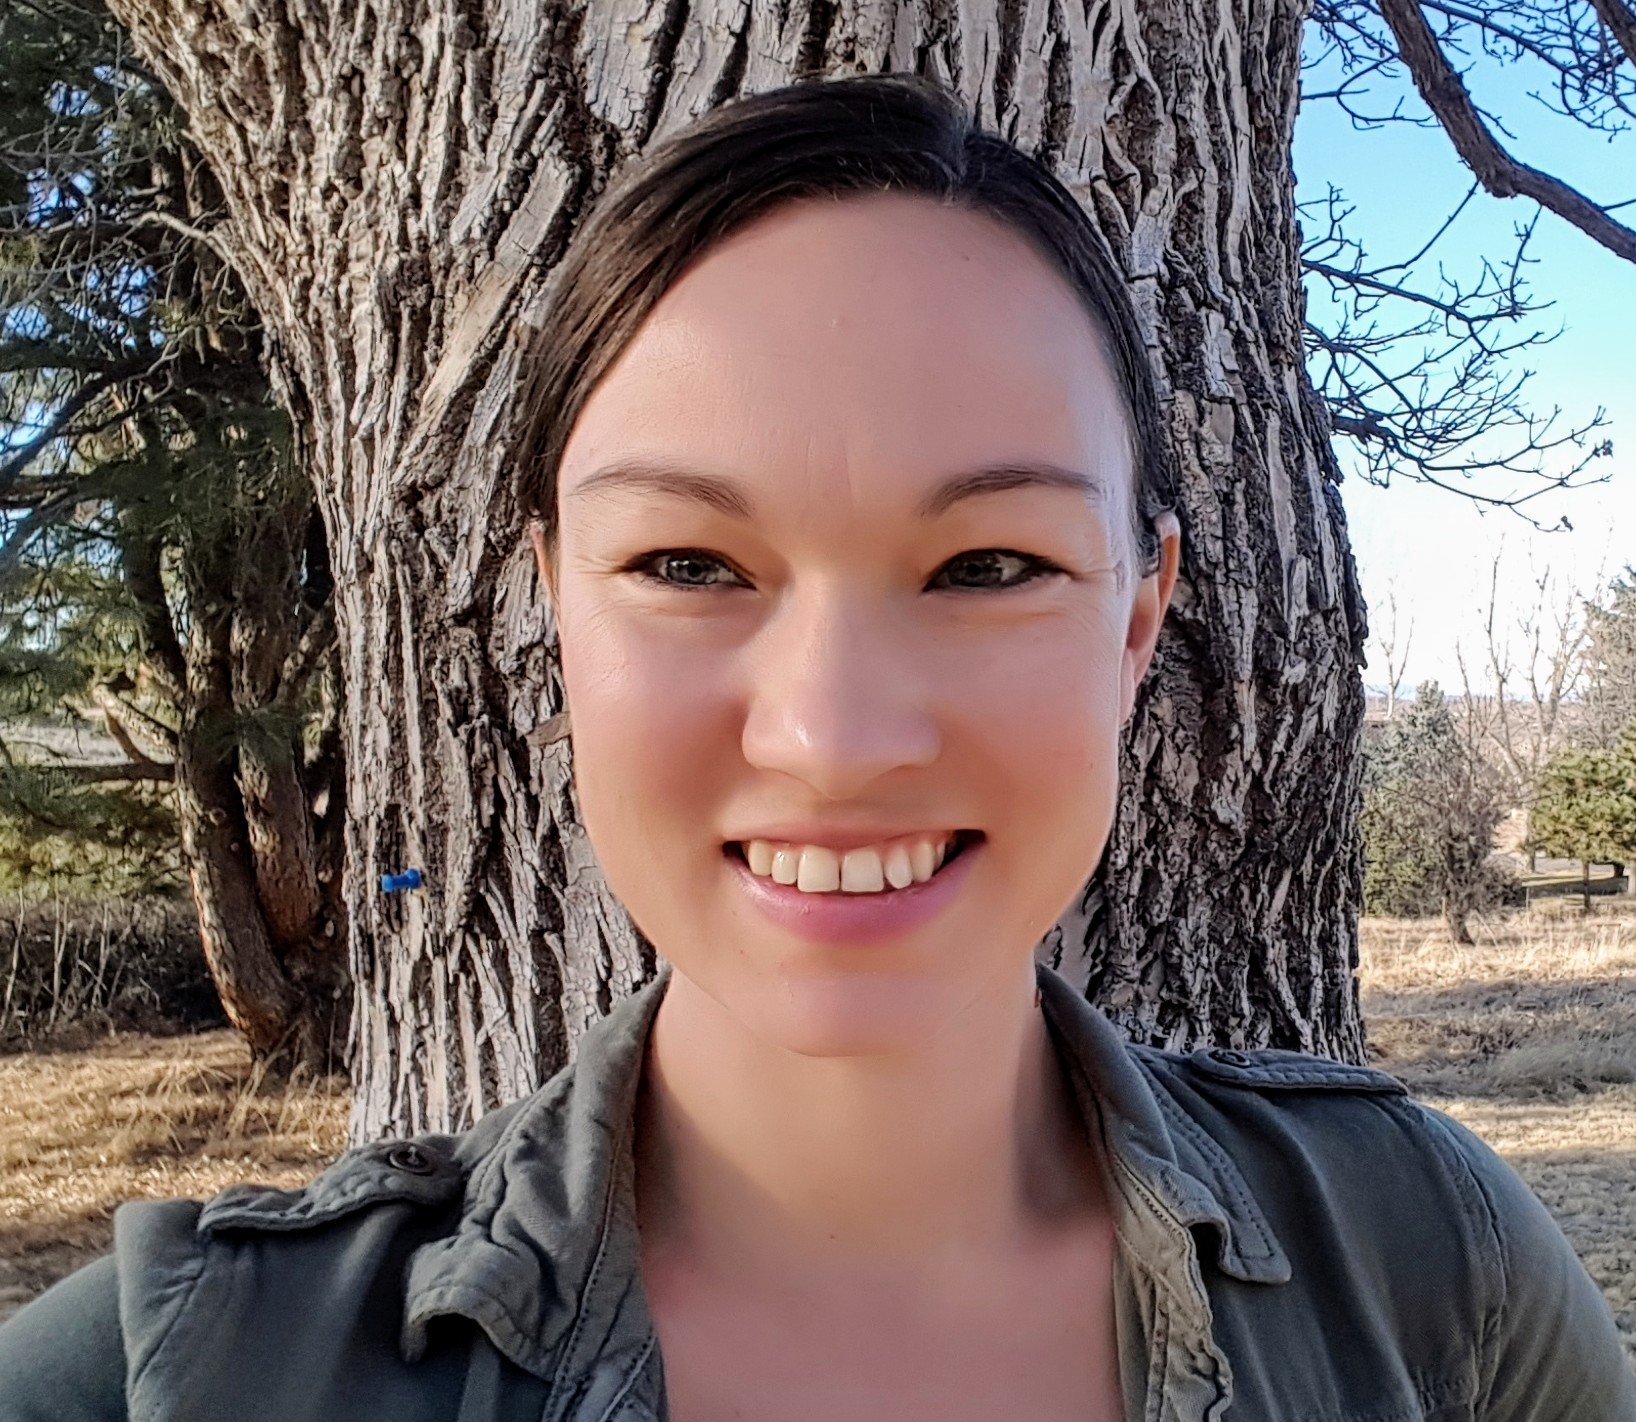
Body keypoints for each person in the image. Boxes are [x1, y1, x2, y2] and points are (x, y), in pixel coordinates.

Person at [1, 71, 1631, 1422]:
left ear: (1138, 621)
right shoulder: (181, 1371)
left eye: (988, 566)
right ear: (557, 606)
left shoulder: (1433, 1274)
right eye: (688, 564)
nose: (835, 736)